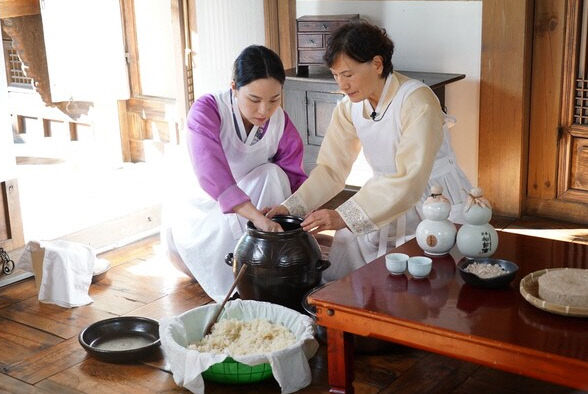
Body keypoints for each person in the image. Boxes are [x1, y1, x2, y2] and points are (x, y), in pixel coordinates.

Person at [268, 21, 471, 281]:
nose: (342, 84)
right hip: (382, 199)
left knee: (430, 281)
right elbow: (331, 169)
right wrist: (291, 208)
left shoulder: (417, 101)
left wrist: (343, 214)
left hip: (433, 199)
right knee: (348, 241)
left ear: (377, 64)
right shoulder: (349, 107)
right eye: (335, 75)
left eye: (348, 74)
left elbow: (409, 179)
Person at [162, 45, 306, 302]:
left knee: (273, 174)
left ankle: (264, 265)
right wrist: (258, 220)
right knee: (264, 182)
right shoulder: (208, 109)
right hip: (206, 207)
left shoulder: (280, 121)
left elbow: (295, 180)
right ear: (234, 88)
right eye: (254, 100)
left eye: (274, 99)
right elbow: (212, 175)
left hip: (256, 205)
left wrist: (303, 221)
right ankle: (247, 272)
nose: (264, 110)